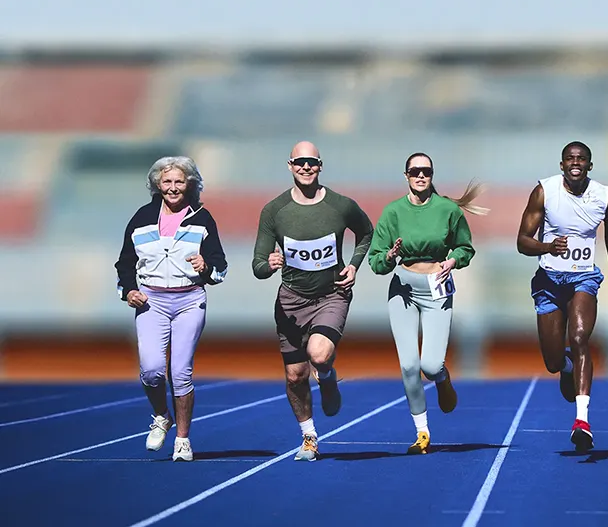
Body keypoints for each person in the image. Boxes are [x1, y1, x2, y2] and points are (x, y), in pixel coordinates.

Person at [252, 141, 374, 462]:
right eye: (299, 162)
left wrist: (354, 265)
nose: (305, 167)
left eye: (311, 162)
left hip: (332, 294)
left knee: (318, 354)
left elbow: (366, 233)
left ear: (320, 165)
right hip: (291, 302)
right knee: (295, 375)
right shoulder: (274, 211)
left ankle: (327, 376)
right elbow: (258, 265)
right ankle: (309, 437)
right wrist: (269, 264)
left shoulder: (341, 205)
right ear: (289, 165)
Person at [367, 152, 486, 455]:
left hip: (436, 287)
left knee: (430, 365)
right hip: (403, 288)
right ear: (405, 175)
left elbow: (465, 248)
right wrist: (389, 257)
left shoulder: (448, 210)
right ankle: (422, 432)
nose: (421, 175)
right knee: (409, 365)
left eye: (426, 171)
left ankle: (442, 378)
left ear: (432, 175)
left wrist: (453, 260)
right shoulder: (393, 212)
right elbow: (376, 261)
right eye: (415, 171)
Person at [115, 156, 228, 462]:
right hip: (152, 302)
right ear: (157, 184)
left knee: (180, 372)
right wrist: (129, 291)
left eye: (179, 181)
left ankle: (182, 439)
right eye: (167, 181)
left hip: (189, 300)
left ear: (190, 184)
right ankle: (162, 416)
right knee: (152, 370)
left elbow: (220, 266)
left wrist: (206, 267)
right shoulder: (141, 218)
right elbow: (125, 263)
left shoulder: (202, 219)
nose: (173, 187)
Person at [516, 141, 608, 452]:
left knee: (579, 338)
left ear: (590, 165)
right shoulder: (544, 191)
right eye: (570, 159)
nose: (575, 163)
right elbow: (522, 241)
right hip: (549, 281)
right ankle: (565, 367)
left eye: (581, 159)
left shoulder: (605, 196)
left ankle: (582, 422)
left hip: (583, 278)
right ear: (562, 164)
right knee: (552, 362)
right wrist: (548, 247)